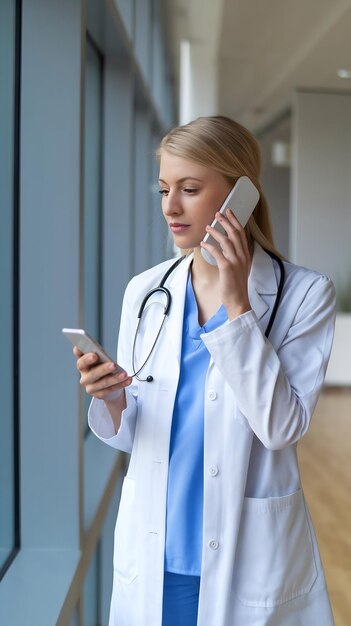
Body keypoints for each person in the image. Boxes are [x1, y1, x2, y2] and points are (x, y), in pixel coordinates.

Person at [74, 116, 336, 626]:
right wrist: (111, 398)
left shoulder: (304, 295)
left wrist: (237, 305)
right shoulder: (146, 292)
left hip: (247, 550)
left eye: (190, 189)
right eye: (164, 189)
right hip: (157, 549)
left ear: (242, 196)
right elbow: (134, 434)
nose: (171, 206)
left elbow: (281, 427)